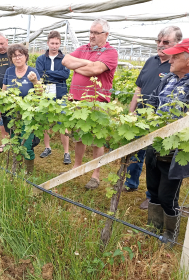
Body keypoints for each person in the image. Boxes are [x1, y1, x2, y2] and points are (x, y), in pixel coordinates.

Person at [145, 38, 189, 246]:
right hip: (156, 142)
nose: (169, 59)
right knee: (152, 189)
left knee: (167, 195)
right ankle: (153, 228)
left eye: (175, 56)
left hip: (177, 148)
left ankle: (170, 234)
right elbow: (154, 102)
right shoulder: (169, 78)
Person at [125, 26, 183, 211]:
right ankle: (131, 182)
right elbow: (139, 88)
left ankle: (152, 196)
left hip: (160, 120)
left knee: (154, 158)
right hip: (141, 116)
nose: (160, 45)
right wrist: (131, 111)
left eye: (166, 42)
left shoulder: (175, 65)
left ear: (177, 44)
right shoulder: (150, 61)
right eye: (159, 41)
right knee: (135, 151)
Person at [62, 18, 118, 189]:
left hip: (97, 103)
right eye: (91, 32)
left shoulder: (110, 52)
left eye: (96, 33)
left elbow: (96, 70)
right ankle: (77, 167)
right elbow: (65, 61)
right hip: (77, 100)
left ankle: (95, 174)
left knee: (97, 140)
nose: (92, 36)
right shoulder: (84, 48)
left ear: (106, 34)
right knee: (79, 137)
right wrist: (87, 63)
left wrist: (77, 66)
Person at [2, 44, 42, 173]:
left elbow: (41, 93)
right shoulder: (9, 71)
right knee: (15, 142)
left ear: (25, 56)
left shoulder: (32, 71)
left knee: (26, 145)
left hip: (28, 114)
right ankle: (17, 169)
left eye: (20, 55)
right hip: (13, 114)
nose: (17, 58)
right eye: (14, 56)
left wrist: (35, 81)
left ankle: (29, 173)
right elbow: (3, 91)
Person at [36, 30, 71, 164]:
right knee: (46, 123)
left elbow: (65, 75)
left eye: (57, 43)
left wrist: (48, 73)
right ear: (48, 43)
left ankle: (66, 152)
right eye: (52, 43)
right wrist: (56, 73)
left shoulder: (64, 59)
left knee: (63, 123)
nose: (54, 46)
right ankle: (47, 147)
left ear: (60, 43)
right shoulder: (40, 59)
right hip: (45, 95)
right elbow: (40, 75)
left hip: (61, 95)